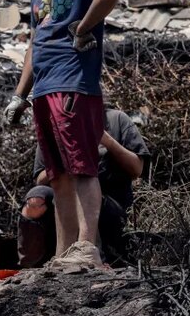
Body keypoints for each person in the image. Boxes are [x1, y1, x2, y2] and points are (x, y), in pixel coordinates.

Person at [3, 0, 121, 268]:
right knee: (58, 176)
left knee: (82, 166)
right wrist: (19, 95)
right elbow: (34, 43)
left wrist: (84, 27)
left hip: (74, 83)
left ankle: (87, 246)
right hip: (43, 89)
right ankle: (64, 252)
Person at [18, 108, 150, 268]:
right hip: (62, 200)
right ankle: (29, 264)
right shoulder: (53, 127)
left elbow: (137, 168)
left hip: (110, 207)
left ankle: (93, 257)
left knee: (83, 194)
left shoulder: (116, 119)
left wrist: (107, 141)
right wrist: (63, 161)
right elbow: (40, 179)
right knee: (36, 197)